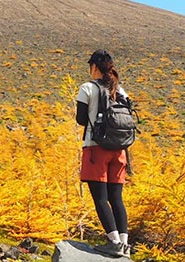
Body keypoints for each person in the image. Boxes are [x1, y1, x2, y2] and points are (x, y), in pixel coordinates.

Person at [75, 49, 130, 258]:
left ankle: (114, 242)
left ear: (94, 67)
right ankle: (125, 244)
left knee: (100, 197)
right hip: (120, 150)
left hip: (96, 148)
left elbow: (81, 119)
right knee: (117, 198)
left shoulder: (87, 88)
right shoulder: (121, 90)